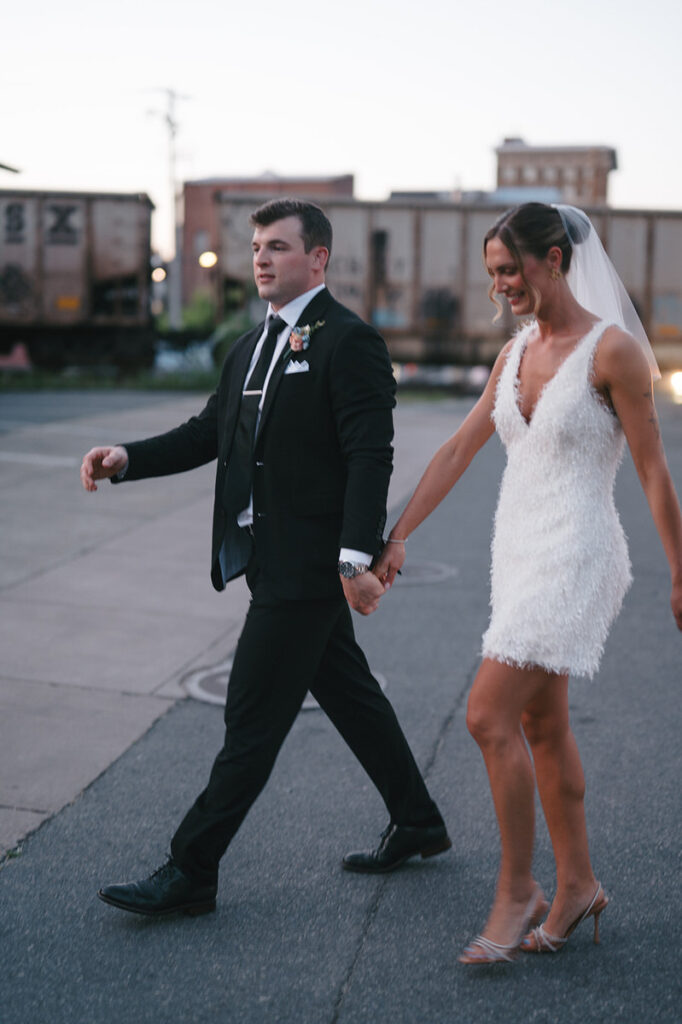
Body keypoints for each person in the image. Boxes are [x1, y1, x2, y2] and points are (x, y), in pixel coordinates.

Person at [80, 198, 450, 918]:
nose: (261, 259)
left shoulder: (349, 341)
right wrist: (127, 459)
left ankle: (192, 870)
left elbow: (370, 453)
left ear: (317, 259)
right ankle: (418, 820)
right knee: (349, 694)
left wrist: (353, 558)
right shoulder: (250, 348)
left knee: (250, 718)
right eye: (256, 247)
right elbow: (206, 434)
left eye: (277, 247)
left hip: (308, 570)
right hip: (267, 556)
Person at [374, 203, 682, 964]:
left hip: (577, 554)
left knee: (486, 716)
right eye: (492, 273)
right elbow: (458, 447)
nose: (500, 286)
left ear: (554, 258)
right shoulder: (513, 355)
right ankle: (577, 885)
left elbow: (651, 468)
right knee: (543, 727)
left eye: (510, 270)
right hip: (515, 550)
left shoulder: (613, 354)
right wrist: (397, 534)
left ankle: (519, 892)